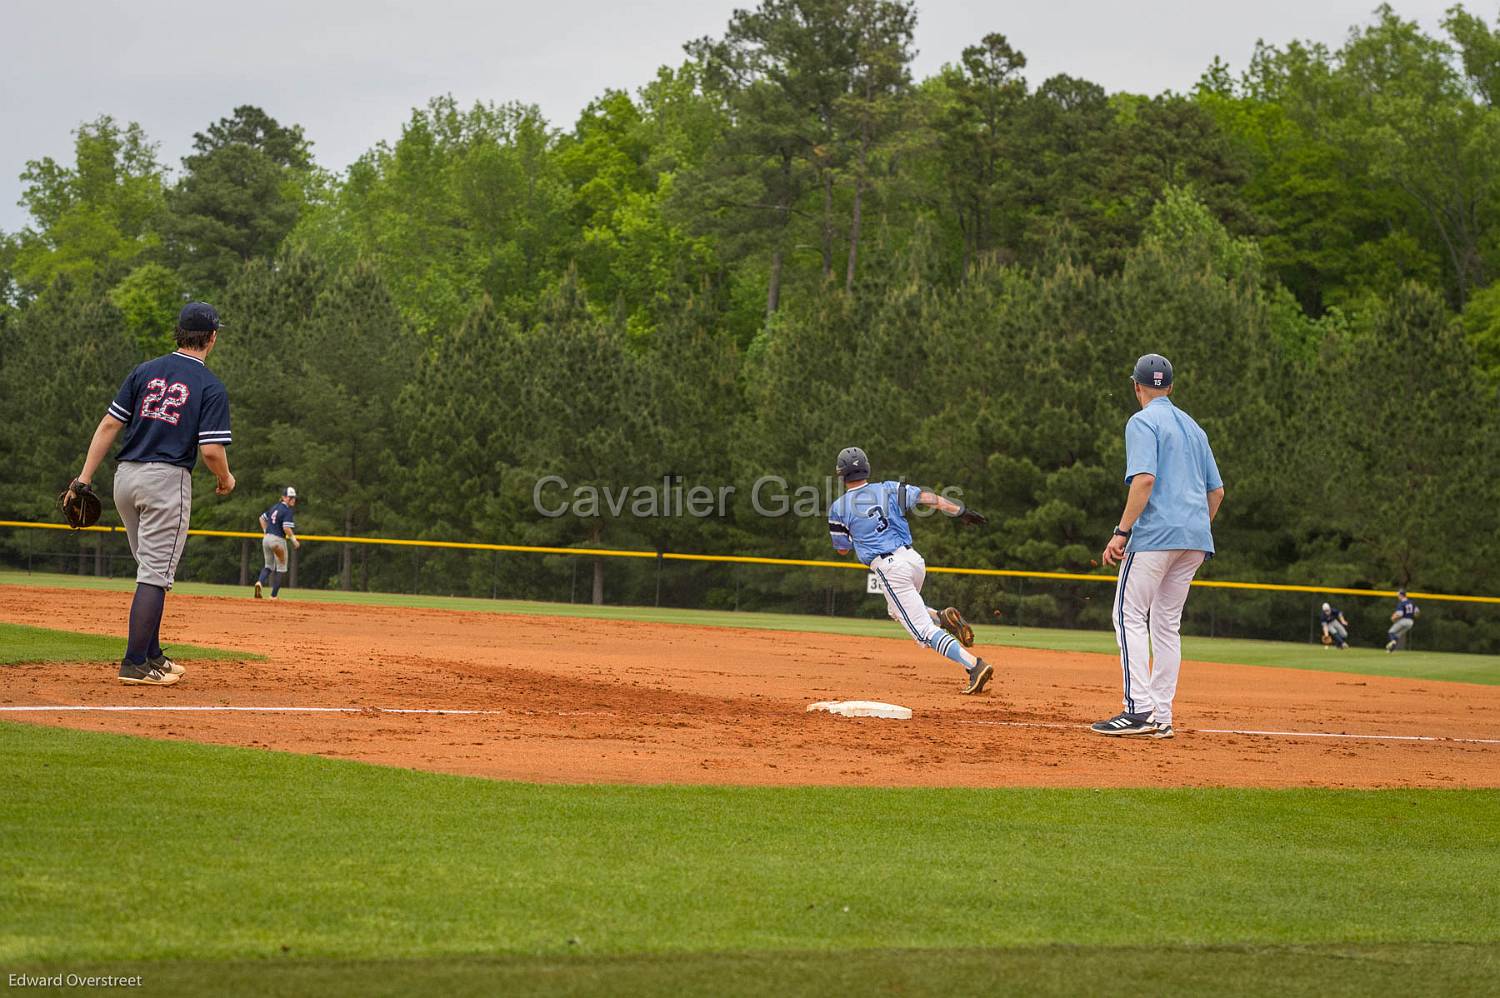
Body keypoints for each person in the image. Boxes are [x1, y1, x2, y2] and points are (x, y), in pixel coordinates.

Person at [73, 302, 234, 685]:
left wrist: (83, 478)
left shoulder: (144, 371)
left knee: (151, 570)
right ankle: (134, 663)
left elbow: (110, 424)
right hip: (165, 481)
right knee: (156, 574)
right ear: (212, 337)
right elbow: (211, 451)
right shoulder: (209, 385)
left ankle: (152, 654)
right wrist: (226, 478)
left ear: (178, 332)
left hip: (125, 478)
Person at [1094, 354, 1224, 740]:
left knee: (1128, 614)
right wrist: (1194, 527)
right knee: (1166, 625)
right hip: (1196, 538)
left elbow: (1144, 480)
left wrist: (1121, 531)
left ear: (1137, 386)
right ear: (1170, 386)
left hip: (1155, 537)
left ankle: (1138, 711)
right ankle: (1161, 717)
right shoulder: (1194, 428)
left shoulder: (1143, 420)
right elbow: (1216, 492)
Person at [826, 446, 994, 694]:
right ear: (867, 468)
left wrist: (858, 536)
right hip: (914, 560)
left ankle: (974, 666)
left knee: (923, 632)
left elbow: (841, 549)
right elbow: (930, 498)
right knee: (896, 611)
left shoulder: (839, 508)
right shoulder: (888, 488)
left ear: (841, 475)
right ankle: (942, 616)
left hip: (890, 568)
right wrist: (961, 511)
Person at [255, 487, 300, 599]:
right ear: (284, 497)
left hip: (266, 539)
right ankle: (273, 596)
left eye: (294, 497)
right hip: (278, 540)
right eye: (290, 497)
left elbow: (261, 518)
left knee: (268, 566)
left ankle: (259, 582)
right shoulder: (287, 511)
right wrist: (294, 540)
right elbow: (286, 528)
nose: (293, 500)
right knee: (281, 568)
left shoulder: (274, 507)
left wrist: (266, 531)